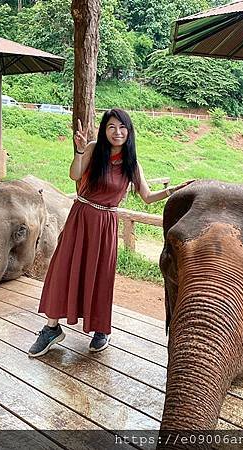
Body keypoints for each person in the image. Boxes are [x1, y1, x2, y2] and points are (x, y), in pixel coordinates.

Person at [28, 108, 192, 357]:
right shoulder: (94, 149)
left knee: (100, 275)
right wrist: (80, 149)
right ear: (105, 131)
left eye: (123, 127)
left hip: (105, 224)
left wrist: (174, 190)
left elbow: (147, 197)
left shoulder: (131, 163)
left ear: (129, 131)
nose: (118, 132)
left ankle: (100, 330)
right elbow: (74, 174)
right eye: (112, 127)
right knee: (63, 268)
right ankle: (51, 328)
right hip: (81, 217)